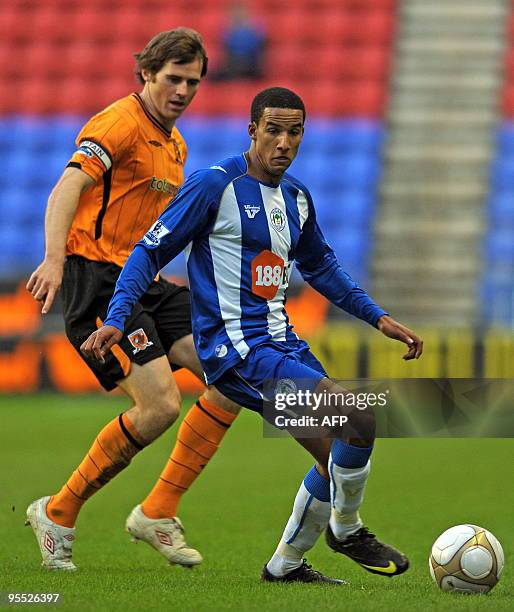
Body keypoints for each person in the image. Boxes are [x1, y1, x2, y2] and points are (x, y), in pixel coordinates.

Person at [82, 87, 424, 584]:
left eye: (294, 131)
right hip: (237, 351)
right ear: (253, 131)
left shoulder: (296, 198)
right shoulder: (214, 185)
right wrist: (117, 316)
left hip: (283, 344)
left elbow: (322, 267)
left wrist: (378, 318)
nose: (283, 142)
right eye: (274, 130)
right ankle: (346, 530)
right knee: (357, 413)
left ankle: (285, 566)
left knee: (338, 450)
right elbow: (148, 251)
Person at [25, 28, 242, 571]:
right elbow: (66, 188)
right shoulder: (117, 124)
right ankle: (58, 510)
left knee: (233, 374)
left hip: (142, 280)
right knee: (161, 406)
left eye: (192, 82)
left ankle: (157, 509)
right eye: (173, 78)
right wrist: (53, 259)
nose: (183, 91)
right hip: (96, 280)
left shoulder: (175, 144)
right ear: (147, 73)